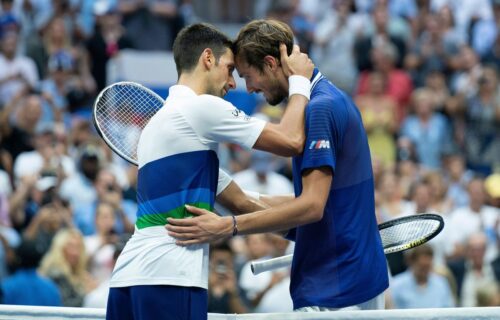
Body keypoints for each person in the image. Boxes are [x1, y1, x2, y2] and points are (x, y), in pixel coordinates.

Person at [166, 19, 389, 311]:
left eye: (247, 75)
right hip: (349, 282)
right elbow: (324, 206)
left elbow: (311, 207)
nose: (247, 88)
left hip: (336, 289)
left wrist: (228, 226)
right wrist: (237, 198)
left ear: (271, 63)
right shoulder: (331, 98)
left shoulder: (320, 109)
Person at [106, 22, 314, 320]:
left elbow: (242, 203)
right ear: (207, 59)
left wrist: (315, 218)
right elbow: (292, 140)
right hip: (171, 276)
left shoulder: (163, 126)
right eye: (229, 69)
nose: (232, 83)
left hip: (128, 278)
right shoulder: (200, 108)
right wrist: (299, 82)